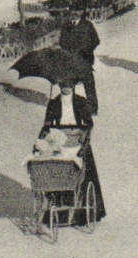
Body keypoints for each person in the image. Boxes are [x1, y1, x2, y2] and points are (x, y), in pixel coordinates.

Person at [39, 82, 104, 225]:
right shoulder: (54, 103)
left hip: (77, 138)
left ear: (74, 85)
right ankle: (57, 210)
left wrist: (84, 134)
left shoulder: (81, 101)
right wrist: (42, 140)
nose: (66, 87)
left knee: (83, 169)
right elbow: (47, 125)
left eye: (69, 84)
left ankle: (82, 212)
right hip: (59, 139)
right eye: (63, 84)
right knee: (55, 168)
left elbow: (89, 123)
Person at [57, 3, 101, 113]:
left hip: (85, 60)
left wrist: (87, 49)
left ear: (81, 13)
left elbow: (96, 40)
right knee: (69, 84)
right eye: (72, 12)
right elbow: (61, 42)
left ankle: (93, 107)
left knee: (89, 84)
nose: (74, 15)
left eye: (77, 12)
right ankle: (71, 106)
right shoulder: (66, 26)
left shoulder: (88, 25)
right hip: (71, 61)